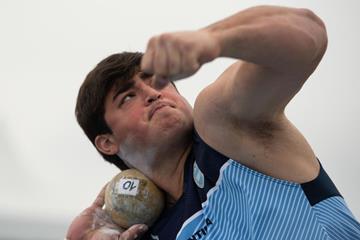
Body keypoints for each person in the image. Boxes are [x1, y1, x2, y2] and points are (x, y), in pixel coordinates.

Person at [66, 5, 360, 240]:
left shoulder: (225, 128)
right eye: (127, 97)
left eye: (156, 81)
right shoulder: (142, 233)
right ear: (107, 142)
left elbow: (309, 32)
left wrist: (213, 39)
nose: (153, 94)